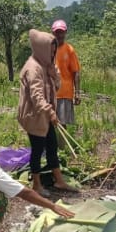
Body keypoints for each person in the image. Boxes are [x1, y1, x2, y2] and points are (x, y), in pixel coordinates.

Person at [17, 29, 75, 197]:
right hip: (34, 115)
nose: (52, 52)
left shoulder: (45, 65)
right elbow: (37, 97)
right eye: (50, 49)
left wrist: (54, 73)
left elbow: (56, 86)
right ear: (41, 48)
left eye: (53, 49)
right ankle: (37, 184)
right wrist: (51, 113)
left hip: (44, 114)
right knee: (37, 149)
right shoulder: (33, 68)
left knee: (51, 146)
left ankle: (59, 180)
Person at [51, 20, 80, 128]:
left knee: (62, 124)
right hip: (50, 93)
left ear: (65, 32)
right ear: (53, 33)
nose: (59, 35)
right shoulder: (48, 49)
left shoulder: (69, 50)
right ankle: (51, 145)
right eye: (57, 32)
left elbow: (76, 72)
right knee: (49, 124)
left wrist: (77, 93)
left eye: (61, 32)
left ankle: (62, 145)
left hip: (64, 93)